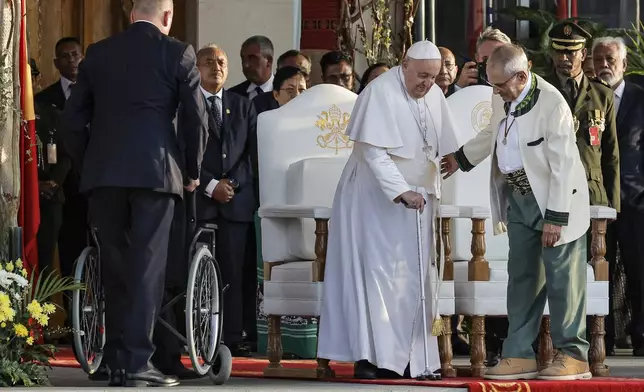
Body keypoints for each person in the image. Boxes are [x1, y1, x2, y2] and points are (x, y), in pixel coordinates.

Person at [61, 0, 208, 387]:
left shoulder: (99, 53)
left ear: (131, 14)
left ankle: (113, 360)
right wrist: (191, 171)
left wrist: (87, 166)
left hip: (105, 176)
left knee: (114, 265)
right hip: (155, 174)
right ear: (167, 16)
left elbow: (72, 122)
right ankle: (139, 362)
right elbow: (195, 117)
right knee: (147, 265)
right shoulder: (177, 52)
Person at [442, 44, 592, 381]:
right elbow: (491, 133)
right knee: (522, 279)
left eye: (500, 85)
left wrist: (556, 218)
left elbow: (563, 167)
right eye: (492, 84)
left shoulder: (553, 105)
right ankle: (519, 354)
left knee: (563, 282)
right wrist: (460, 158)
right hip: (520, 198)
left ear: (522, 76)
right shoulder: (502, 97)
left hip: (556, 201)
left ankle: (573, 355)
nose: (494, 92)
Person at [317, 40, 459, 380]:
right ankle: (371, 358)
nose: (427, 84)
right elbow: (373, 152)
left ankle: (411, 358)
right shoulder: (379, 92)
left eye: (434, 77)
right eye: (422, 75)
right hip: (373, 201)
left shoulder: (434, 94)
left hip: (418, 203)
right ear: (404, 63)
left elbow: (442, 141)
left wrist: (454, 157)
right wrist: (401, 191)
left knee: (410, 280)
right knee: (376, 277)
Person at [195, 44, 258, 357]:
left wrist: (230, 183)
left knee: (234, 273)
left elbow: (251, 154)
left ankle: (232, 337)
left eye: (221, 61)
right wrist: (210, 185)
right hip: (200, 203)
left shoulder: (242, 105)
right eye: (208, 62)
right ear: (196, 68)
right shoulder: (187, 104)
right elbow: (181, 152)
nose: (215, 67)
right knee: (197, 273)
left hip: (235, 203)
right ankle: (198, 334)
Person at [593, 36, 644, 356]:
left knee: (639, 271)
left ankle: (641, 335)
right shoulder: (587, 98)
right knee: (600, 272)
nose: (604, 65)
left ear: (623, 64)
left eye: (611, 59)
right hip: (597, 201)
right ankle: (603, 336)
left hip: (635, 200)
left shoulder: (641, 99)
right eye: (599, 59)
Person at [544, 22, 620, 213]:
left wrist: (613, 205)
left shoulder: (602, 94)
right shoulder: (541, 91)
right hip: (551, 192)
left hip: (592, 194)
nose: (563, 58)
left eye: (570, 52)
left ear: (583, 54)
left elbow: (611, 154)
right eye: (558, 52)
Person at [229, 35, 274, 100]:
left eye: (252, 58)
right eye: (243, 59)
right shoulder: (232, 96)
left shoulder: (286, 93)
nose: (246, 64)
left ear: (269, 61)